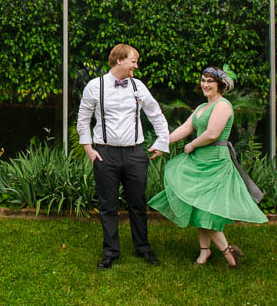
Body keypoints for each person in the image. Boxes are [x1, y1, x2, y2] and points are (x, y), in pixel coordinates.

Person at [148, 66, 267, 267]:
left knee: (207, 211)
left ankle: (229, 253)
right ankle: (205, 252)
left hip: (215, 162)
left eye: (209, 81)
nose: (205, 84)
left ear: (219, 85)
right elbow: (187, 127)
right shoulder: (202, 107)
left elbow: (212, 134)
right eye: (203, 80)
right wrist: (162, 144)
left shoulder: (223, 105)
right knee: (198, 207)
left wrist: (192, 144)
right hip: (199, 161)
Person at [76, 43, 170, 269]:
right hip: (104, 153)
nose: (136, 66)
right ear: (119, 60)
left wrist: (161, 142)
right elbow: (83, 118)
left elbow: (155, 113)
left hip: (135, 153)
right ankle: (110, 252)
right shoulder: (94, 86)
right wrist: (88, 148)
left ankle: (143, 248)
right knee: (108, 205)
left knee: (137, 203)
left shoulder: (138, 86)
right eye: (133, 61)